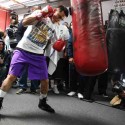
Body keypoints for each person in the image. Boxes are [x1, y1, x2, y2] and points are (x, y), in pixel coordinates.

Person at [0, 5, 69, 113]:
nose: (58, 19)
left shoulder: (56, 26)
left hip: (38, 55)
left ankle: (42, 102)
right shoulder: (41, 14)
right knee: (11, 77)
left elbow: (53, 42)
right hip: (22, 50)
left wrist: (59, 45)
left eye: (61, 18)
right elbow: (24, 23)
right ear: (55, 10)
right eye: (58, 16)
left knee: (45, 80)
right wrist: (40, 14)